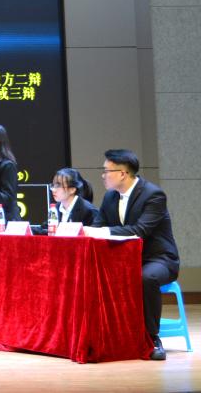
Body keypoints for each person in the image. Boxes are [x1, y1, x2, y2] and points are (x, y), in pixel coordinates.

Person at [85, 149, 179, 361]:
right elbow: (97, 226)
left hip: (158, 259)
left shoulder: (153, 195)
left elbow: (140, 230)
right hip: (125, 260)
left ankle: (152, 338)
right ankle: (106, 336)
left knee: (146, 277)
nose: (103, 175)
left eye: (106, 171)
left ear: (123, 173)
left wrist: (102, 231)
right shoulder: (110, 197)